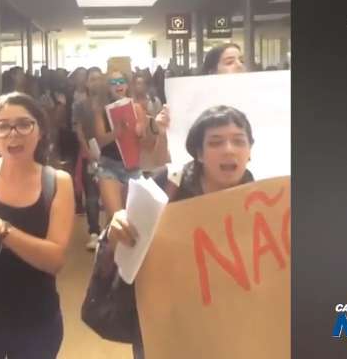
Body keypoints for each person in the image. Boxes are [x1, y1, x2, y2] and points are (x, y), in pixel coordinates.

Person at [102, 105, 256, 358]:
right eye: (216, 143)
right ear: (200, 153)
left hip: (227, 328)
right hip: (165, 324)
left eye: (239, 141)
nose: (229, 150)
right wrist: (117, 226)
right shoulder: (167, 185)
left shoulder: (262, 202)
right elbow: (122, 243)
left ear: (249, 151)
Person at [0, 92, 75, 359]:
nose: (13, 134)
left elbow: (54, 259)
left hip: (35, 319)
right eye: (2, 126)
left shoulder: (56, 183)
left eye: (24, 124)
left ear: (40, 130)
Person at [93, 70, 151, 220]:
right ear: (107, 88)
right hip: (109, 167)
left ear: (126, 85)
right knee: (116, 219)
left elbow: (146, 144)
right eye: (113, 83)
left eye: (121, 82)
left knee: (133, 218)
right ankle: (108, 241)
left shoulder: (136, 108)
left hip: (133, 167)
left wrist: (141, 133)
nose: (118, 85)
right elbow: (100, 141)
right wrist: (116, 131)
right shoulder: (101, 111)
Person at [73, 67, 107, 249]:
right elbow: (78, 131)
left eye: (98, 78)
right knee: (92, 195)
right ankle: (93, 231)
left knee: (110, 193)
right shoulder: (80, 105)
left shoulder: (109, 103)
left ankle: (109, 230)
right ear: (86, 83)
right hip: (89, 154)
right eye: (92, 79)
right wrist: (87, 151)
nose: (95, 82)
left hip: (110, 154)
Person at [131, 73, 170, 174]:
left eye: (141, 83)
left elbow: (160, 117)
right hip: (139, 142)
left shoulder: (154, 100)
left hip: (154, 134)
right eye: (137, 83)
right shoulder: (130, 103)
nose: (139, 86)